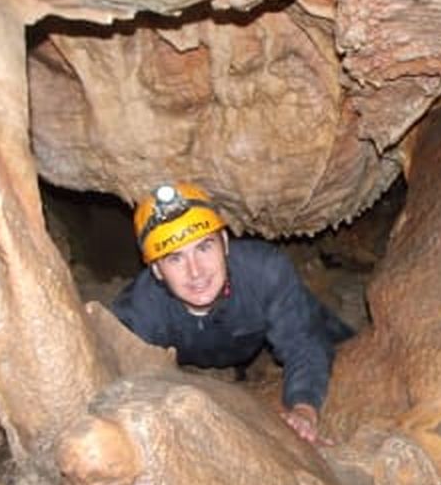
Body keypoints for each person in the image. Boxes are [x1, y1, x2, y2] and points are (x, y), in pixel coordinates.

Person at [111, 182, 354, 445]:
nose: (196, 271)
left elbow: (303, 344)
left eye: (204, 247)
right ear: (157, 270)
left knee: (335, 338)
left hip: (256, 328)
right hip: (197, 358)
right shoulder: (140, 310)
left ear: (225, 243)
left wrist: (303, 408)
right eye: (175, 258)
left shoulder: (264, 272)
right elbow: (119, 377)